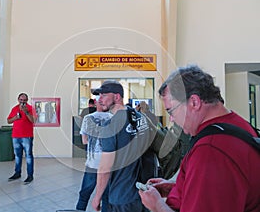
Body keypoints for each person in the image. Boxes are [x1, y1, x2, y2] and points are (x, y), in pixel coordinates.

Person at [139, 65, 260, 212]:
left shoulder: (211, 150)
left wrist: (157, 205)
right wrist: (180, 186)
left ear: (194, 103)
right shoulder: (237, 125)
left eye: (171, 110)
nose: (171, 119)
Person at [91, 80, 154, 212]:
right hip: (146, 193)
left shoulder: (110, 126)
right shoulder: (140, 117)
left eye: (103, 95)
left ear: (117, 97)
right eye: (98, 96)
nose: (99, 99)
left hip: (122, 196)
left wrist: (97, 197)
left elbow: (105, 167)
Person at [76, 100, 112, 212]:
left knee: (84, 194)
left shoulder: (87, 118)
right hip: (109, 163)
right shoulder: (114, 118)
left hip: (93, 163)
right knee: (106, 196)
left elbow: (84, 141)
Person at [7, 93, 36, 184]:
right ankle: (17, 173)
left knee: (28, 156)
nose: (22, 102)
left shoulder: (31, 108)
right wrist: (16, 117)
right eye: (21, 100)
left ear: (27, 100)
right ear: (18, 99)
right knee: (17, 156)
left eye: (24, 100)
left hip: (27, 136)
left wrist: (26, 112)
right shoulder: (14, 109)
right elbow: (8, 121)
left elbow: (33, 121)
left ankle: (30, 176)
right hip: (16, 136)